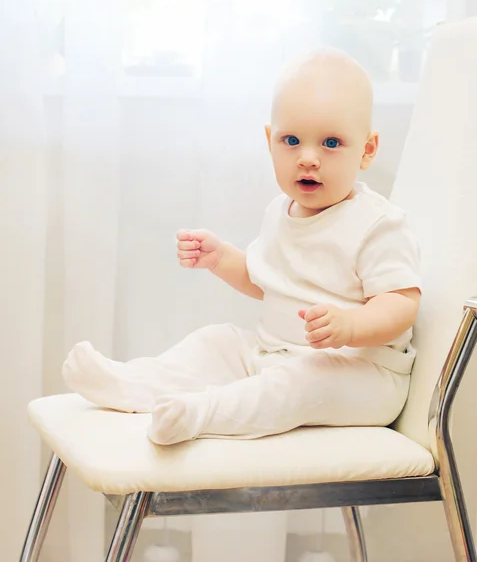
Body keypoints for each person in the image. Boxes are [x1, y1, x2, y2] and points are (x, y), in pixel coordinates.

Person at [63, 48, 422, 446]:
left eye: (331, 143)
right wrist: (221, 258)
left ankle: (201, 412)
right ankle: (131, 385)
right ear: (271, 141)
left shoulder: (376, 223)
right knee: (217, 341)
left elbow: (402, 304)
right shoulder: (280, 212)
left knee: (301, 382)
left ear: (367, 150)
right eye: (291, 140)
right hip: (274, 355)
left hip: (360, 376)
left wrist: (351, 326)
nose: (307, 158)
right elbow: (263, 281)